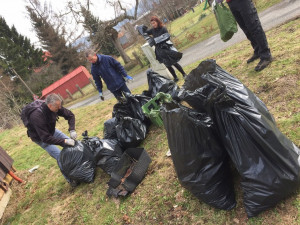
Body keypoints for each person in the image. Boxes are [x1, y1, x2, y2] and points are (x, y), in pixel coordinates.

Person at [24, 93, 77, 186]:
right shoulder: (36, 116)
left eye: (60, 105)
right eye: (57, 106)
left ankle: (79, 167)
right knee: (60, 157)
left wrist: (72, 129)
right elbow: (46, 138)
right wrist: (64, 141)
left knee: (74, 146)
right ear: (50, 105)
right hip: (41, 138)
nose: (60, 108)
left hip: (51, 131)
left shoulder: (55, 107)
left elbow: (70, 115)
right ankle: (71, 180)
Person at [216, 0, 272, 71]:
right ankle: (257, 50)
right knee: (245, 28)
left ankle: (266, 55)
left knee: (253, 25)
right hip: (230, 2)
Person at [143, 16, 187, 82]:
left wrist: (157, 40)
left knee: (174, 63)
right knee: (167, 65)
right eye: (152, 23)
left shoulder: (163, 28)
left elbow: (167, 37)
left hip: (166, 48)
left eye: (154, 23)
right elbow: (145, 33)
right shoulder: (152, 30)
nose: (153, 24)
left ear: (157, 22)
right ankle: (175, 77)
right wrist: (141, 28)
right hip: (160, 51)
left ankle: (184, 74)